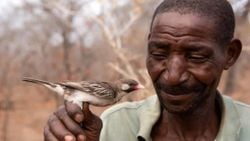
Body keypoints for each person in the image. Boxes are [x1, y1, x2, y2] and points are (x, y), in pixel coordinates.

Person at [43, 0, 250, 140]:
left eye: (196, 57)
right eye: (159, 54)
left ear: (230, 54)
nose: (173, 77)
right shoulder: (113, 126)